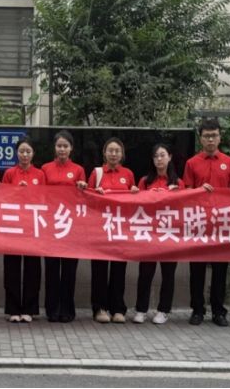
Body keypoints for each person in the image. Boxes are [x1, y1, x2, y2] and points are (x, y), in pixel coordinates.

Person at [182, 118, 230, 327]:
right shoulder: (192, 163)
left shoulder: (229, 162)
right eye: (207, 136)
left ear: (220, 137)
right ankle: (197, 310)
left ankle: (218, 311)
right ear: (201, 138)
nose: (211, 140)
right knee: (197, 269)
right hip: (199, 222)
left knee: (220, 270)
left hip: (222, 223)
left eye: (214, 135)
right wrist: (199, 190)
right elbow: (187, 191)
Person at [132, 143, 185, 325]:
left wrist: (176, 195)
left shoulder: (178, 183)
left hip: (169, 233)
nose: (159, 159)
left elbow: (184, 208)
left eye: (162, 155)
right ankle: (141, 309)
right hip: (149, 233)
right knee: (145, 273)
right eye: (156, 156)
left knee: (168, 274)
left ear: (170, 157)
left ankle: (163, 310)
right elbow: (136, 205)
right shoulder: (145, 181)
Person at [88, 137, 138, 324]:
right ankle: (99, 308)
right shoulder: (97, 173)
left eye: (117, 151)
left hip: (120, 229)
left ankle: (118, 308)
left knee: (119, 270)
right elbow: (87, 200)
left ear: (122, 154)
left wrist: (134, 192)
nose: (114, 154)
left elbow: (135, 202)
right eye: (110, 150)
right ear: (104, 153)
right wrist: (95, 194)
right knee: (99, 270)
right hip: (100, 229)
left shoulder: (128, 174)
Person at [41, 130, 87, 323]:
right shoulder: (45, 168)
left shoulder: (78, 170)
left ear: (71, 148)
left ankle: (67, 309)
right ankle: (52, 309)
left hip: (70, 225)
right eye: (59, 146)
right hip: (50, 224)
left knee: (69, 269)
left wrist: (82, 187)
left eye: (65, 146)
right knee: (52, 269)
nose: (62, 149)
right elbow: (39, 194)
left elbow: (83, 197)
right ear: (55, 148)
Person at [2, 135, 46, 323]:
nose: (25, 155)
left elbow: (45, 199)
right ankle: (13, 309)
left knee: (32, 269)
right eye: (21, 151)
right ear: (16, 153)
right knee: (11, 268)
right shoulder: (9, 173)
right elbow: (3, 198)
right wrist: (16, 191)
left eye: (28, 151)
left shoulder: (40, 174)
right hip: (12, 226)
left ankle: (30, 309)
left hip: (32, 226)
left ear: (33, 153)